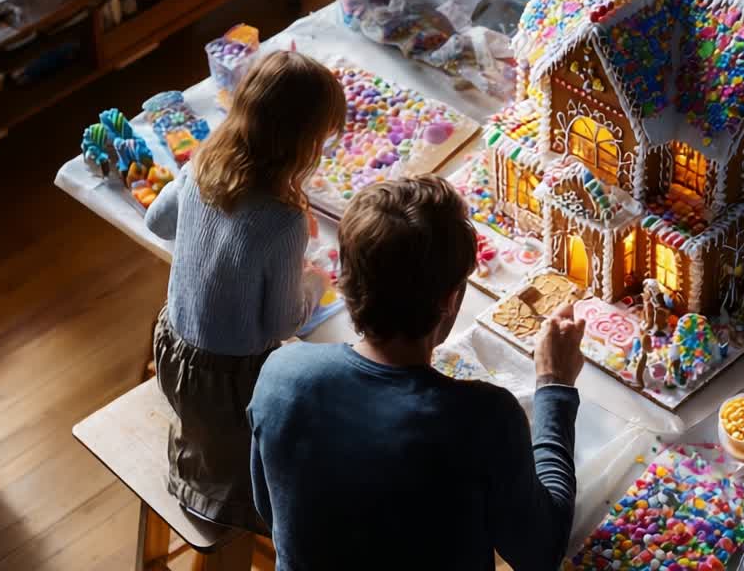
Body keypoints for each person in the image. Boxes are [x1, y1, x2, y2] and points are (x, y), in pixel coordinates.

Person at [248, 176, 585, 570]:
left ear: (344, 279)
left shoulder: (283, 376)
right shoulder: (482, 419)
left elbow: (270, 508)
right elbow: (541, 552)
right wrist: (555, 385)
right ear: (450, 300)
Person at [144, 50, 346, 531]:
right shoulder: (282, 221)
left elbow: (157, 222)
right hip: (229, 388)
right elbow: (280, 324)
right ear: (302, 145)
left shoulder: (202, 164)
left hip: (171, 350)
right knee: (317, 416)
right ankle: (229, 508)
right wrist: (315, 281)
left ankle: (207, 467)